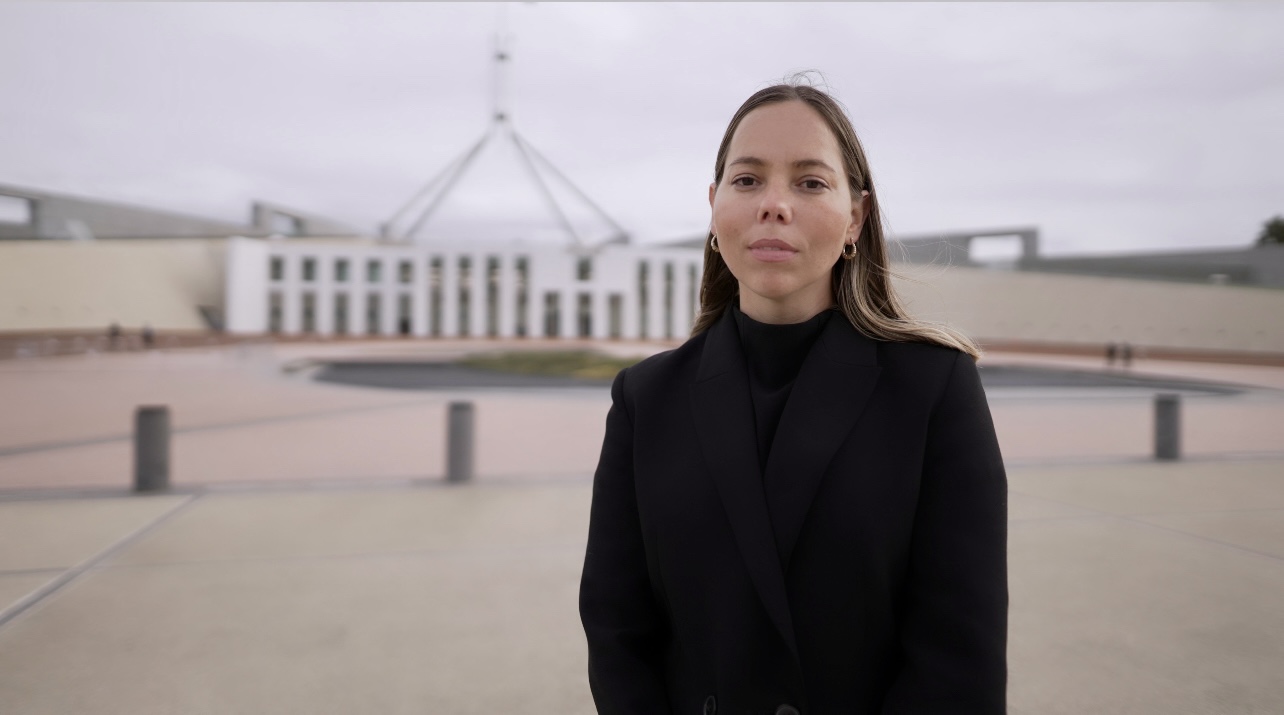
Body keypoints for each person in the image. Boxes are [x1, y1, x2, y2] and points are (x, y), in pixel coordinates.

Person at [579, 80, 1008, 715]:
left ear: (856, 217)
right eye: (747, 180)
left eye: (810, 182)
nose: (774, 204)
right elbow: (618, 633)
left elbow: (957, 658)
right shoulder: (646, 398)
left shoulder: (933, 389)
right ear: (714, 205)